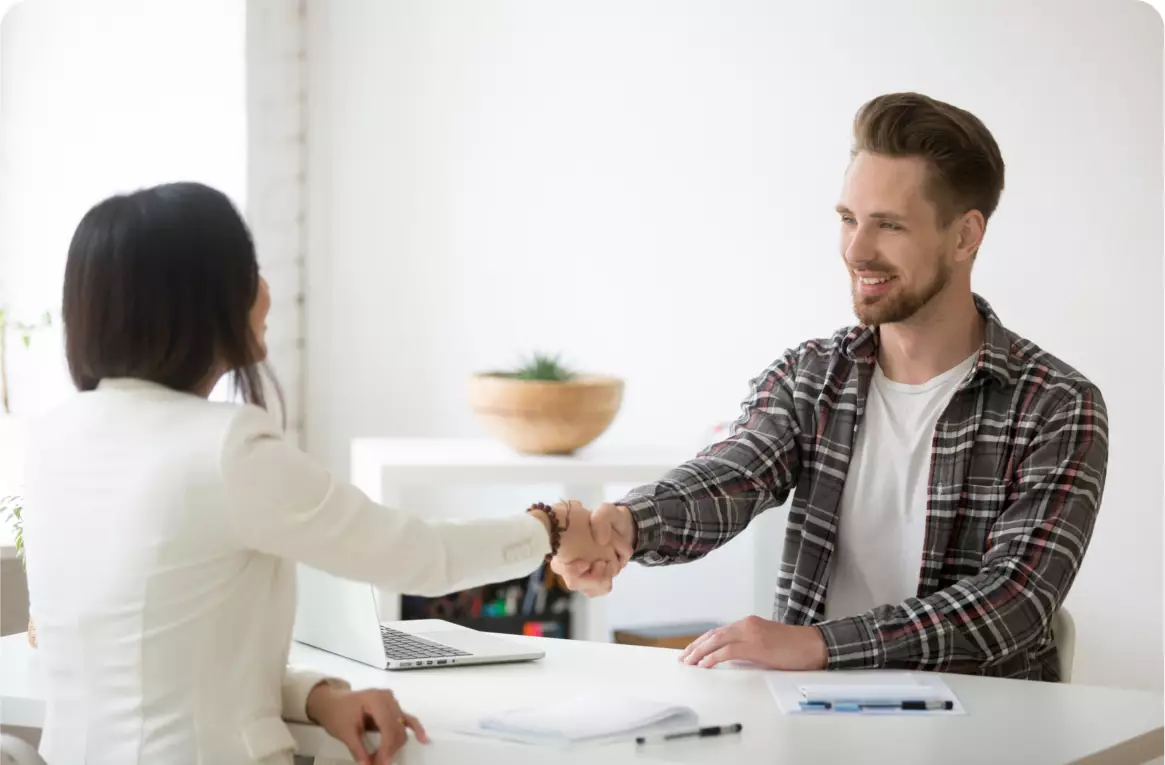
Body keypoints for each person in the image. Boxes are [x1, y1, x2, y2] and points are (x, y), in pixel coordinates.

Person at [20, 182, 622, 765]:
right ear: (206, 299)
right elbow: (418, 554)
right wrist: (550, 528)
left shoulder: (52, 439)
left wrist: (317, 696)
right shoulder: (224, 446)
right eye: (248, 269)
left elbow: (159, 665)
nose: (264, 289)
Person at [553, 92, 1108, 682]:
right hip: (814, 723)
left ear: (966, 236)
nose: (856, 250)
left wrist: (819, 646)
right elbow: (733, 473)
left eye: (888, 225)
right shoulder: (814, 375)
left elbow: (1011, 604)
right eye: (848, 219)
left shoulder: (1057, 406)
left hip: (980, 729)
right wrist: (629, 525)